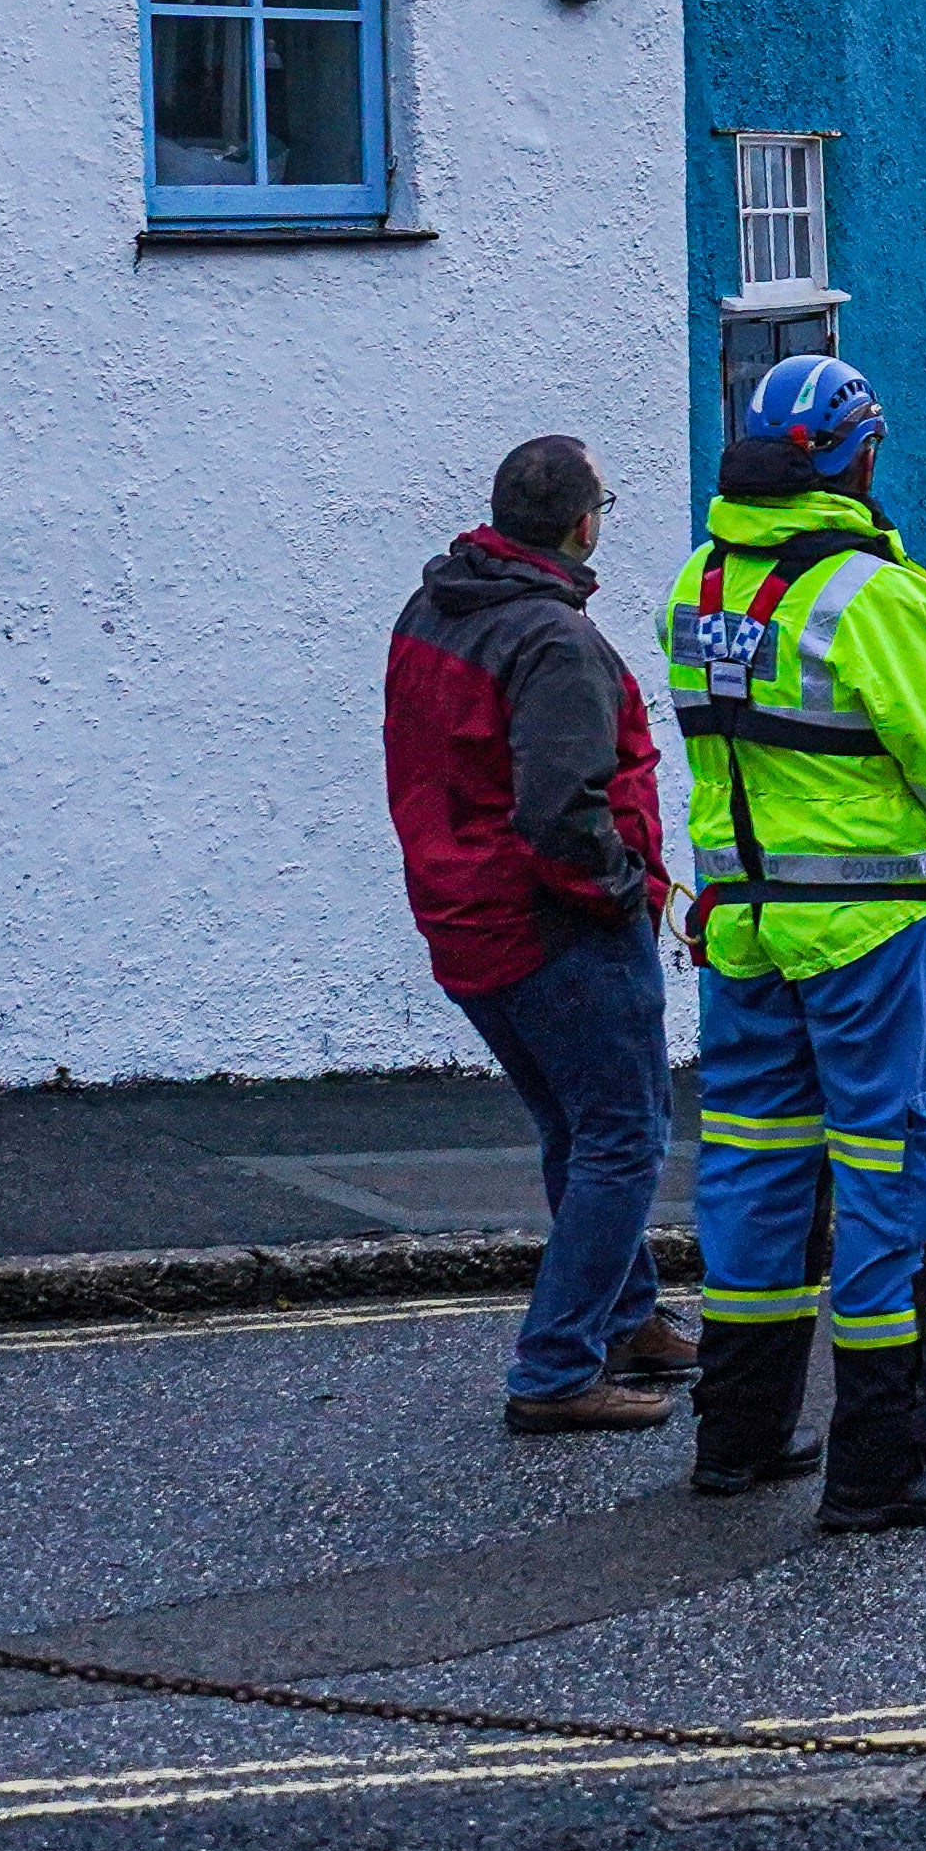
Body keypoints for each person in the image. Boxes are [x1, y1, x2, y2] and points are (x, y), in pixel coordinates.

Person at [668, 353, 926, 1528]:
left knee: (754, 1171)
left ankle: (738, 1437)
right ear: (855, 453)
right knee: (890, 1171)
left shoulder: (699, 585)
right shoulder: (875, 598)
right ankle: (878, 1465)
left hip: (746, 932)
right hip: (866, 934)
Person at [383, 434, 696, 1436]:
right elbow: (562, 811)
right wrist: (626, 891)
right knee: (622, 1138)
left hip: (465, 917)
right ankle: (557, 1364)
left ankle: (627, 1317)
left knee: (578, 1128)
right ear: (581, 523)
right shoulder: (553, 641)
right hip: (555, 927)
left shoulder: (434, 608)